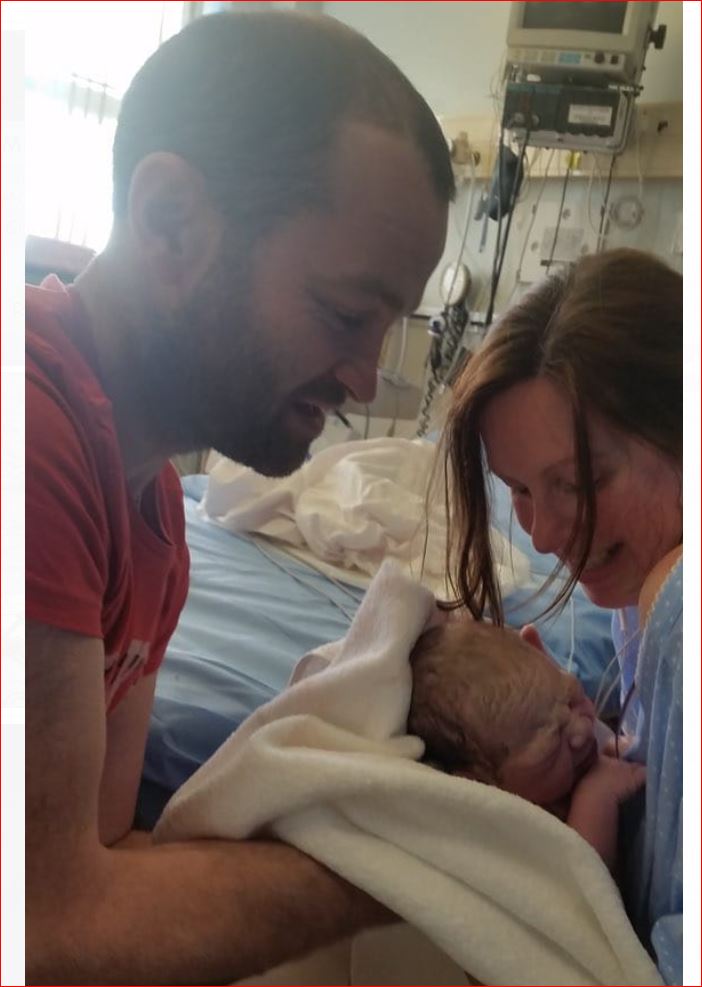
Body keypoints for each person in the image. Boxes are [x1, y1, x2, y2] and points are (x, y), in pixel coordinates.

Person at [25, 10, 453, 984]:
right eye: (347, 313)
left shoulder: (154, 516)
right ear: (174, 223)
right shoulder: (29, 428)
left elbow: (105, 859)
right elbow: (47, 926)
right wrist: (434, 860)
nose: (363, 378)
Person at [441, 248, 682, 983]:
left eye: (577, 481)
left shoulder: (677, 599)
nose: (543, 534)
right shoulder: (638, 607)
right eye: (518, 489)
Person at [408, 618, 646, 871]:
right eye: (552, 747)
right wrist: (597, 796)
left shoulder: (556, 742)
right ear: (482, 783)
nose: (582, 731)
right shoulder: (513, 823)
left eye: (573, 699)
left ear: (539, 650)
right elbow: (579, 887)